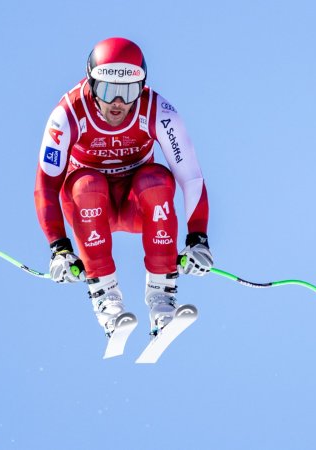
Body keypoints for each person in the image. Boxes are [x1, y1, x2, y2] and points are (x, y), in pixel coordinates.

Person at [34, 37, 213, 339]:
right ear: (91, 84)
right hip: (88, 208)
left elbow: (191, 177)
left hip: (137, 206)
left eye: (128, 91)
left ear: (141, 87)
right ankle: (106, 300)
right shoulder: (67, 115)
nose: (118, 103)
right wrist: (59, 248)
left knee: (155, 178)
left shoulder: (159, 111)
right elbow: (46, 185)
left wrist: (198, 238)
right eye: (107, 90)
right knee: (88, 184)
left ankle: (162, 299)